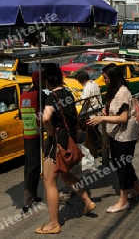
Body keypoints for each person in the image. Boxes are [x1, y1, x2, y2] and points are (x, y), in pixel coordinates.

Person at [35, 64, 95, 234]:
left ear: (48, 80)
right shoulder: (68, 94)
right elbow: (75, 119)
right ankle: (87, 201)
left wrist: (51, 132)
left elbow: (46, 117)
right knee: (65, 174)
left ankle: (54, 223)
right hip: (69, 137)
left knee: (49, 181)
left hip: (57, 141)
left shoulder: (51, 97)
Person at [87, 63, 139, 213]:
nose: (104, 80)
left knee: (122, 166)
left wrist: (102, 119)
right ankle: (137, 188)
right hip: (117, 134)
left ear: (113, 77)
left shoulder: (123, 93)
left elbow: (123, 118)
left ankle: (123, 200)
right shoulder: (115, 91)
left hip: (125, 135)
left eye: (106, 77)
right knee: (123, 163)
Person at [20, 71, 46, 213]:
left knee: (29, 167)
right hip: (36, 136)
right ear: (37, 82)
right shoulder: (39, 95)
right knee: (34, 168)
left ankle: (33, 195)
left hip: (27, 135)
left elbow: (20, 114)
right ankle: (27, 201)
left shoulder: (24, 95)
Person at [76, 70, 103, 156]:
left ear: (82, 80)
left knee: (92, 134)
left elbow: (84, 102)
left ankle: (100, 150)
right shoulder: (94, 84)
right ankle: (100, 149)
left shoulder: (87, 88)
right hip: (97, 112)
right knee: (95, 133)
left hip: (90, 114)